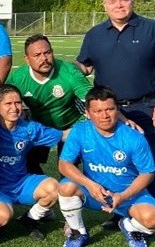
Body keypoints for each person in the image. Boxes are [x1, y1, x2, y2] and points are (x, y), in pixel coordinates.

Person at [77, 0, 155, 202]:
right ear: (105, 6)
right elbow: (84, 67)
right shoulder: (95, 34)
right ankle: (118, 210)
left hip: (147, 107)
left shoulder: (153, 29)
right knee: (113, 162)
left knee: (146, 162)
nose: (119, 5)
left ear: (132, 1)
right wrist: (58, 69)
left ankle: (146, 214)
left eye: (124, 0)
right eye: (112, 2)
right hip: (108, 110)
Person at [57, 86, 155, 247]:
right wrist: (90, 185)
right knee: (65, 187)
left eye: (110, 109)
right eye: (98, 111)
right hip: (93, 192)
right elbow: (64, 164)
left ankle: (129, 225)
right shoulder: (80, 131)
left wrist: (123, 196)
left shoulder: (133, 137)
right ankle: (78, 232)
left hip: (127, 195)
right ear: (87, 113)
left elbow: (148, 173)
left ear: (117, 109)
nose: (105, 115)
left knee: (152, 219)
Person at [6, 34, 93, 174]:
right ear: (27, 59)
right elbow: (3, 102)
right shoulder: (18, 78)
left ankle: (70, 191)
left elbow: (93, 100)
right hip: (41, 126)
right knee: (27, 164)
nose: (44, 59)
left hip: (72, 125)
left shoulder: (68, 71)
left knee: (67, 168)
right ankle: (43, 189)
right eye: (37, 55)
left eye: (47, 53)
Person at [0, 85, 65, 241]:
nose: (14, 108)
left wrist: (93, 128)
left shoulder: (29, 128)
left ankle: (30, 218)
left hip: (21, 183)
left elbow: (63, 135)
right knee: (1, 218)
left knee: (54, 188)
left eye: (17, 103)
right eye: (8, 104)